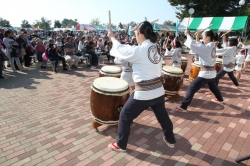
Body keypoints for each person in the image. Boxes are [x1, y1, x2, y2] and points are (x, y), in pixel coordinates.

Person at [107, 21, 176, 152]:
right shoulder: (157, 47)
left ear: (141, 34)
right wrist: (136, 31)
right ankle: (170, 138)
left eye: (136, 34)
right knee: (163, 117)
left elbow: (120, 49)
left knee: (124, 116)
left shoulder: (139, 51)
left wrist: (112, 38)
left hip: (144, 93)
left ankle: (121, 145)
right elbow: (138, 46)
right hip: (158, 91)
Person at [174, 30, 224, 112]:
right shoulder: (212, 45)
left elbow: (193, 44)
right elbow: (199, 46)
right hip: (211, 73)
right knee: (213, 86)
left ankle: (183, 107)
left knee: (191, 88)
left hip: (206, 73)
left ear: (208, 38)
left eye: (203, 37)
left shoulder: (206, 47)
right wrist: (197, 37)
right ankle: (220, 99)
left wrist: (187, 34)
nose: (202, 38)